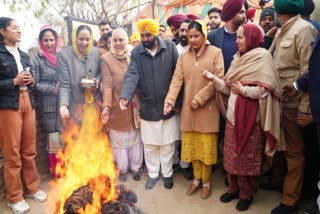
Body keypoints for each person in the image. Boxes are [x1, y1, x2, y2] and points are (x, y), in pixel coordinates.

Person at [203, 23, 281, 211]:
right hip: (232, 117)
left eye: (240, 37)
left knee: (248, 157)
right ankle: (232, 188)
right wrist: (214, 80)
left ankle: (246, 193)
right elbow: (229, 89)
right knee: (231, 155)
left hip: (252, 120)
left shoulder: (263, 57)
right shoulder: (237, 59)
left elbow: (267, 92)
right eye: (236, 37)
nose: (236, 41)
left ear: (252, 38)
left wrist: (244, 90)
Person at [164, 20, 224, 199]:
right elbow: (176, 81)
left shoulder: (216, 53)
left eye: (196, 36)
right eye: (189, 36)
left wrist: (200, 98)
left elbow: (219, 79)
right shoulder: (184, 56)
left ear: (204, 35)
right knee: (194, 149)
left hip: (208, 109)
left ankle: (206, 182)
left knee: (205, 150)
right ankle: (196, 180)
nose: (192, 40)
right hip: (188, 111)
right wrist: (170, 101)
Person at [268, 0, 317, 213]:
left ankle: (290, 200)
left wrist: (305, 108)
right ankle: (278, 182)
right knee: (278, 147)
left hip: (294, 103)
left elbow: (310, 73)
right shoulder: (282, 31)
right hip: (278, 100)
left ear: (280, 10)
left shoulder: (304, 30)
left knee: (295, 153)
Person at [120, 18, 180, 190]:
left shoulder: (169, 47)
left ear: (155, 34)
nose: (145, 38)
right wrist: (125, 95)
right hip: (147, 105)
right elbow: (132, 75)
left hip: (167, 104)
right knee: (151, 144)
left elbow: (178, 75)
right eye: (142, 35)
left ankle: (167, 173)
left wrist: (177, 100)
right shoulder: (137, 53)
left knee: (168, 144)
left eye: (148, 35)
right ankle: (153, 174)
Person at [0, 17, 47, 214]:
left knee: (29, 150)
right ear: (2, 31)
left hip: (28, 101)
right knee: (12, 154)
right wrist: (14, 81)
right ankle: (14, 197)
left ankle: (32, 188)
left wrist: (30, 80)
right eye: (14, 28)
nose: (19, 31)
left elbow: (28, 80)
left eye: (20, 28)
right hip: (9, 106)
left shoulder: (24, 55)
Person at [282, 30, 320, 214]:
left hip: (309, 112)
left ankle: (301, 199)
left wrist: (311, 114)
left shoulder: (304, 30)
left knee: (302, 155)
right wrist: (297, 85)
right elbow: (314, 71)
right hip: (298, 103)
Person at [101, 28, 143, 182]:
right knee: (120, 139)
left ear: (127, 41)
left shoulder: (133, 55)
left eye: (121, 40)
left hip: (134, 105)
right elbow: (107, 85)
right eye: (115, 40)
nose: (118, 43)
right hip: (117, 104)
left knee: (135, 137)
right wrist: (106, 106)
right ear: (111, 42)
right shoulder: (106, 58)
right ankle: (123, 169)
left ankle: (136, 167)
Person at [30, 24, 61, 178]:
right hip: (48, 104)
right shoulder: (37, 58)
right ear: (41, 41)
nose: (50, 43)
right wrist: (51, 89)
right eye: (46, 40)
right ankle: (57, 171)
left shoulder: (60, 55)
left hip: (63, 102)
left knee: (66, 135)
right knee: (54, 137)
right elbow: (34, 83)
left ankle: (69, 167)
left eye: (52, 40)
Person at [57, 25, 101, 124]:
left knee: (95, 136)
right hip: (76, 105)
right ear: (75, 38)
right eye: (81, 39)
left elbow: (100, 72)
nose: (84, 43)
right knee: (77, 137)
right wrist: (63, 105)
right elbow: (64, 84)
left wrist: (97, 81)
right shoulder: (64, 56)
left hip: (94, 104)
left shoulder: (96, 52)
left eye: (87, 39)